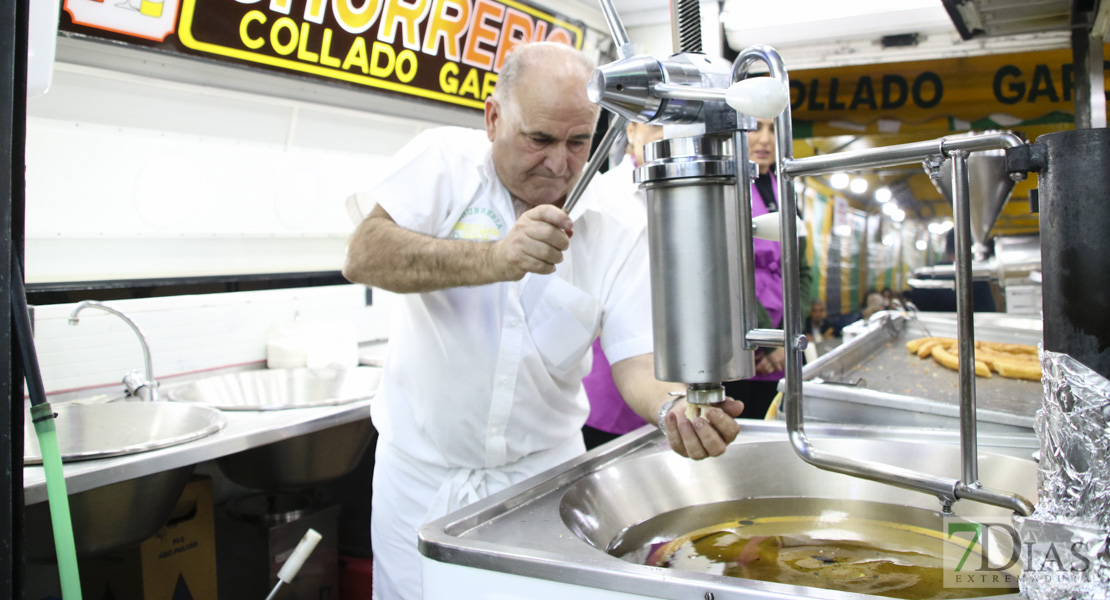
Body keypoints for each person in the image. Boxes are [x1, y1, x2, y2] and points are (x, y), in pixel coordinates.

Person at [341, 43, 744, 600]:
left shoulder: (616, 223)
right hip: (420, 483)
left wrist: (674, 410)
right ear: (493, 118)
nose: (558, 162)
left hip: (541, 488)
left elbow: (637, 359)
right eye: (540, 139)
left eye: (578, 142)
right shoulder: (443, 164)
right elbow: (364, 254)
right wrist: (495, 259)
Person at [580, 121, 664, 449]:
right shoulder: (604, 196)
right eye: (656, 125)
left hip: (677, 376)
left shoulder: (698, 196)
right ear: (631, 130)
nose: (668, 137)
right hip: (611, 377)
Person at [723, 117, 812, 419]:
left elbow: (802, 272)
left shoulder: (786, 191)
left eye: (773, 129)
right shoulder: (724, 190)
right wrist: (767, 341)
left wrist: (788, 335)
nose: (765, 140)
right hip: (740, 344)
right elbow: (729, 270)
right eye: (754, 127)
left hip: (782, 351)